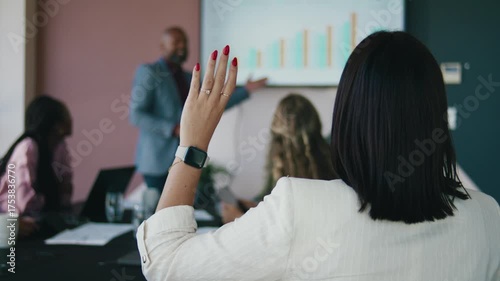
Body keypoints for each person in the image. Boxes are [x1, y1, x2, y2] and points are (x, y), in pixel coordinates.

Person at [136, 32, 500, 280]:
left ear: (348, 115)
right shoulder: (488, 218)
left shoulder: (300, 206)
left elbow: (166, 264)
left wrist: (192, 143)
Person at [129, 26, 267, 192]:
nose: (182, 46)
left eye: (185, 42)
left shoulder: (189, 77)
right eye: (176, 42)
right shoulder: (149, 72)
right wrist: (173, 129)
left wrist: (246, 90)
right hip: (157, 160)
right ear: (162, 46)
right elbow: (136, 115)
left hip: (184, 158)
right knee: (156, 214)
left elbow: (213, 103)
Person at [222, 94, 335, 223]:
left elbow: (282, 232)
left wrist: (239, 220)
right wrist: (259, 206)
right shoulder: (332, 159)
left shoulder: (281, 169)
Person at [0, 95, 73, 237]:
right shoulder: (28, 147)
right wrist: (50, 198)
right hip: (11, 226)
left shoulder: (59, 146)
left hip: (38, 221)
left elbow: (65, 189)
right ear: (55, 125)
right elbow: (23, 203)